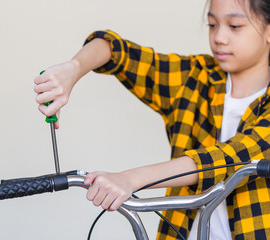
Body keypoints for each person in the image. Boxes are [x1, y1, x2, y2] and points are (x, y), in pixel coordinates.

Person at [33, 0, 270, 239]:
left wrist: (131, 179)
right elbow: (115, 50)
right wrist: (73, 69)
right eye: (212, 24)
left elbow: (229, 158)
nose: (219, 37)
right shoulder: (196, 79)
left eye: (235, 26)